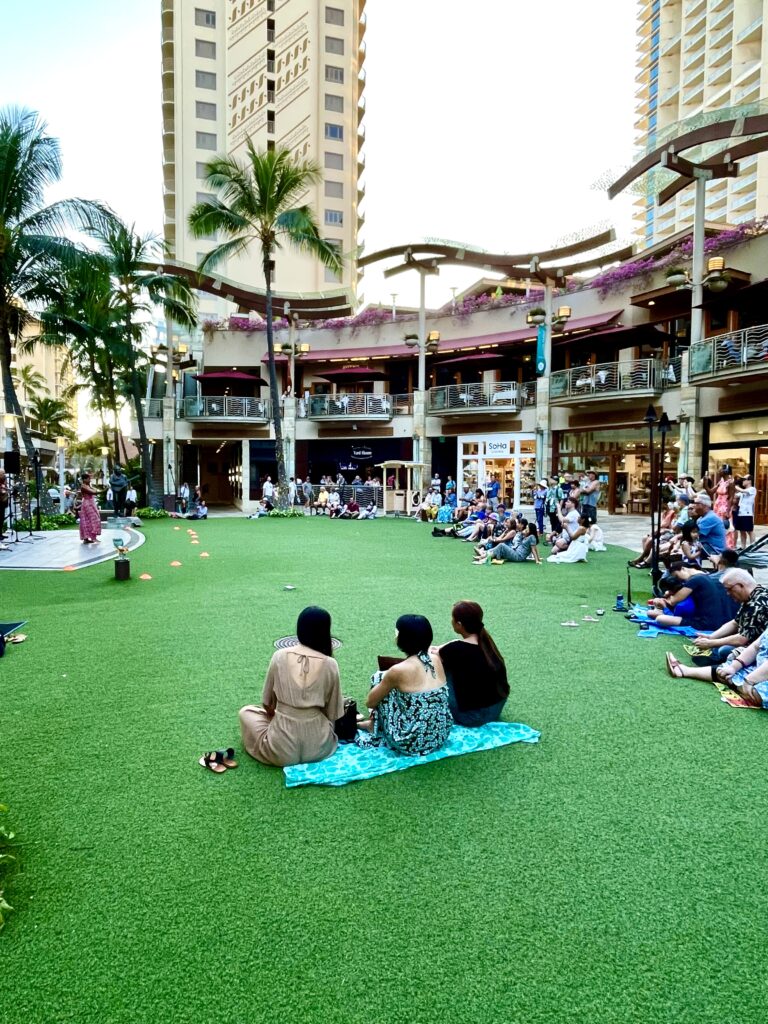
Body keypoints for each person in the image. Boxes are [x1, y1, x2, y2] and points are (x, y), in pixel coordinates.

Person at [239, 607, 343, 766]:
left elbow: (267, 703)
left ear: (299, 629)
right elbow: (333, 713)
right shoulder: (331, 664)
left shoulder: (279, 656)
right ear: (325, 631)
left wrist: (281, 718)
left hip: (281, 750)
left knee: (246, 712)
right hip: (320, 749)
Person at [356, 614, 452, 755]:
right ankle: (374, 724)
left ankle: (373, 725)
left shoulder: (398, 671)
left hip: (411, 743)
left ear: (403, 638)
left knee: (378, 678)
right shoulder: (436, 659)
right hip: (441, 734)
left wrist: (385, 679)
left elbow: (370, 702)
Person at [437, 601, 509, 727]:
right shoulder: (487, 644)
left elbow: (432, 657)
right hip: (495, 711)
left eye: (452, 618)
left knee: (437, 666)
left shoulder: (454, 649)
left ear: (459, 624)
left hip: (471, 717)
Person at [646, 560, 735, 630]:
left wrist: (662, 603)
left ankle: (659, 610)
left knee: (660, 619)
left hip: (705, 622)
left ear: (683, 568)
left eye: (677, 576)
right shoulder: (704, 576)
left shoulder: (695, 580)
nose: (679, 579)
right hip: (716, 619)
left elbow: (673, 601)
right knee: (657, 615)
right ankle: (659, 610)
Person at [476, 522, 541, 565]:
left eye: (527, 528)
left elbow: (534, 549)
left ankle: (484, 557)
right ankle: (484, 555)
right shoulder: (527, 536)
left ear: (531, 530)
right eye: (526, 528)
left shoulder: (532, 537)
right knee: (500, 548)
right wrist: (538, 558)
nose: (525, 529)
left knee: (502, 545)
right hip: (516, 552)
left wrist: (537, 560)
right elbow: (534, 548)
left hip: (519, 556)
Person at [690, 492, 727, 559]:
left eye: (696, 503)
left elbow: (694, 535)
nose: (693, 505)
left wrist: (678, 537)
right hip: (706, 548)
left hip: (714, 551)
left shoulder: (709, 518)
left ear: (703, 505)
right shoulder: (702, 518)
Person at [78, 472, 102, 544]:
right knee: (94, 519)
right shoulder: (83, 486)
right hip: (87, 504)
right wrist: (104, 491)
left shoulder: (88, 485)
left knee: (87, 520)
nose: (90, 480)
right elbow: (93, 492)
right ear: (84, 479)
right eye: (88, 479)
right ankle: (93, 538)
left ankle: (86, 538)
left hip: (90, 503)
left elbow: (95, 490)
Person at [734, 474, 756, 547]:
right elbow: (736, 495)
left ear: (749, 481)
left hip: (747, 513)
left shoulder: (752, 489)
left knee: (749, 530)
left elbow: (744, 491)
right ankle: (743, 547)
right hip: (740, 512)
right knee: (741, 530)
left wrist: (736, 487)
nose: (742, 481)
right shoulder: (742, 491)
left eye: (744, 479)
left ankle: (753, 546)